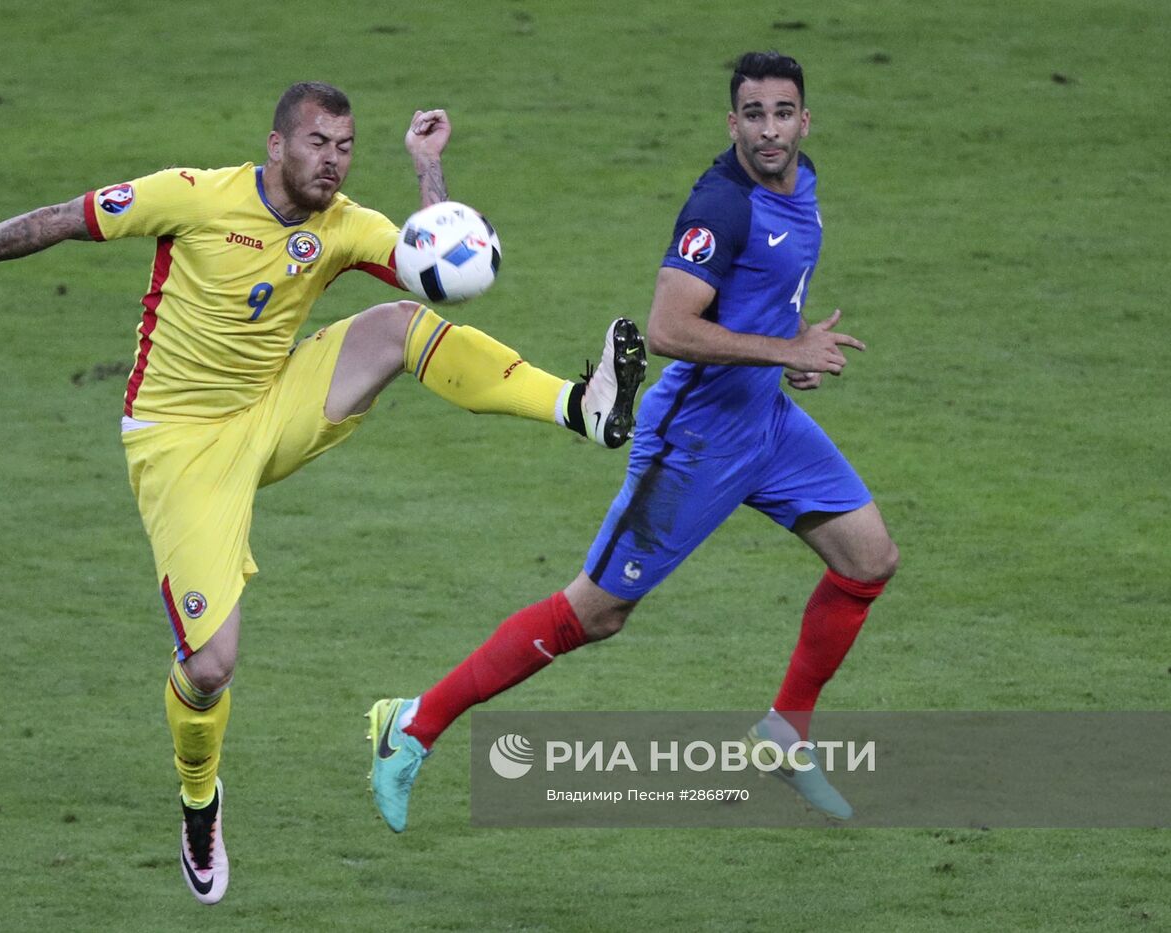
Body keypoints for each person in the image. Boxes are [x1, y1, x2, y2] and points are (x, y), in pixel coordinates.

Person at [0, 81, 648, 905]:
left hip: (272, 404)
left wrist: (429, 169)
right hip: (178, 445)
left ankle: (584, 407)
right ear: (277, 144)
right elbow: (62, 219)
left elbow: (441, 265)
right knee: (210, 666)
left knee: (400, 325)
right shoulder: (194, 196)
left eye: (347, 146)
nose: (334, 161)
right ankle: (199, 796)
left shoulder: (344, 223)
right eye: (320, 143)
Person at [368, 51, 899, 832]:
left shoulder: (804, 181)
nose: (770, 130)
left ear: (804, 119)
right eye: (754, 115)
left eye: (783, 113)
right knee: (596, 613)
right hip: (695, 440)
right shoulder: (720, 207)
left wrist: (792, 340)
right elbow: (668, 328)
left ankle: (785, 732)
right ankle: (413, 723)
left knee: (869, 559)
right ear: (733, 123)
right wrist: (787, 353)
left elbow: (761, 295)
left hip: (767, 423)